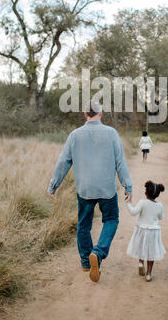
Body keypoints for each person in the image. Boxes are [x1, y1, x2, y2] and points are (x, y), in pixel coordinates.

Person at [47, 100, 133, 283]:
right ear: (100, 114)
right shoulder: (111, 133)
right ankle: (98, 252)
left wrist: (54, 185)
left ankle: (86, 261)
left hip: (85, 189)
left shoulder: (74, 135)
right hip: (107, 189)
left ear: (85, 115)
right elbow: (120, 162)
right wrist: (128, 186)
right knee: (111, 219)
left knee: (83, 225)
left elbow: (63, 162)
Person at [125, 180, 166, 282]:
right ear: (157, 195)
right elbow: (160, 217)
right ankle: (148, 274)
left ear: (145, 193)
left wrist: (128, 203)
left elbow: (134, 212)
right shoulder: (159, 205)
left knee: (141, 246)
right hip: (153, 231)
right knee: (151, 252)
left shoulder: (142, 202)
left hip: (142, 229)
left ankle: (140, 263)